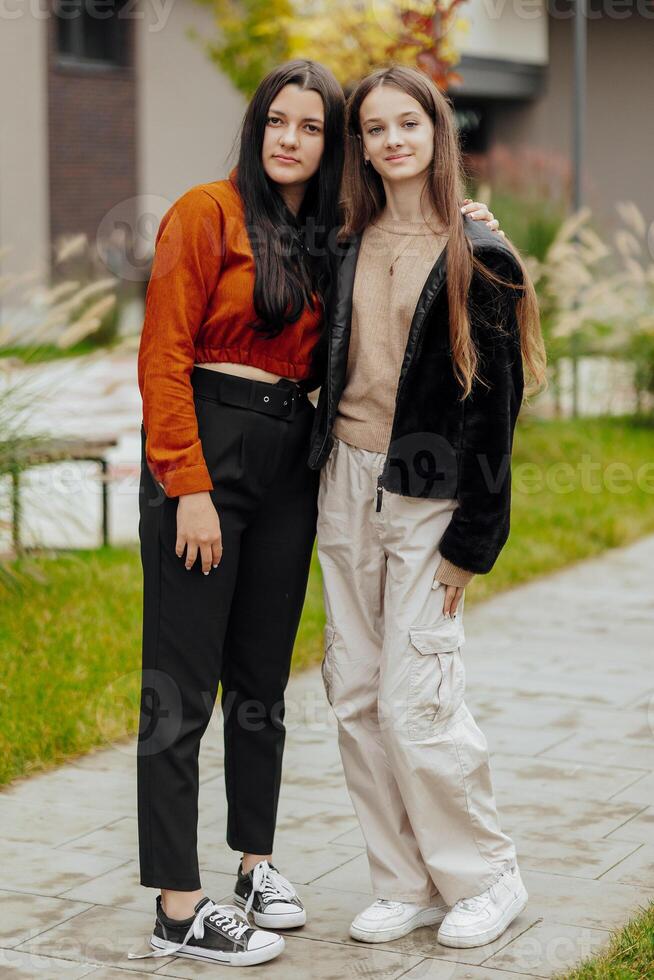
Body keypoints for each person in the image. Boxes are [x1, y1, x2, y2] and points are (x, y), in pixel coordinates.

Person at [129, 58, 501, 967]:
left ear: (333, 147)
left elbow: (413, 267)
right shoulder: (203, 214)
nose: (291, 139)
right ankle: (179, 907)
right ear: (258, 129)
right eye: (277, 122)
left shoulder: (334, 233)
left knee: (263, 681)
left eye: (312, 127)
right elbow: (162, 356)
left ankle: (255, 862)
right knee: (183, 688)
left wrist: (474, 226)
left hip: (296, 464)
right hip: (208, 458)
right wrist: (188, 487)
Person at [308, 66, 547, 951]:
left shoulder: (477, 253)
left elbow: (495, 415)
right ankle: (402, 880)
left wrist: (472, 543)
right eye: (373, 128)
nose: (392, 139)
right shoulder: (343, 242)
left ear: (436, 132)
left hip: (428, 496)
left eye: (407, 122)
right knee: (355, 693)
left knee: (420, 696)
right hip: (344, 479)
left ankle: (486, 877)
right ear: (360, 146)